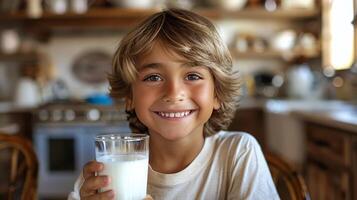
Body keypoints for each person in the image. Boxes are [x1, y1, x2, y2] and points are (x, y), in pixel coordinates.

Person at [68, 8, 279, 200]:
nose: (174, 93)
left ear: (217, 94)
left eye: (193, 75)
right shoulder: (106, 169)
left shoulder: (238, 153)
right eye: (153, 77)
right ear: (129, 96)